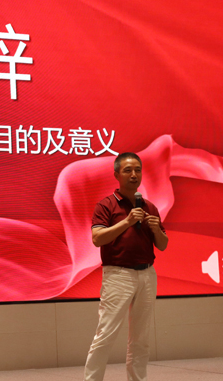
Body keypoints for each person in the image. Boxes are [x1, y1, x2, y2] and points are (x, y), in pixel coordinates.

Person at [83, 152, 168, 381]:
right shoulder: (106, 205)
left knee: (141, 338)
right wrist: (127, 222)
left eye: (138, 170)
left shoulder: (149, 207)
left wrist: (156, 229)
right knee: (106, 334)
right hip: (118, 275)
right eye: (128, 170)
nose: (134, 175)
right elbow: (97, 239)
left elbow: (163, 245)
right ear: (116, 175)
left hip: (147, 274)